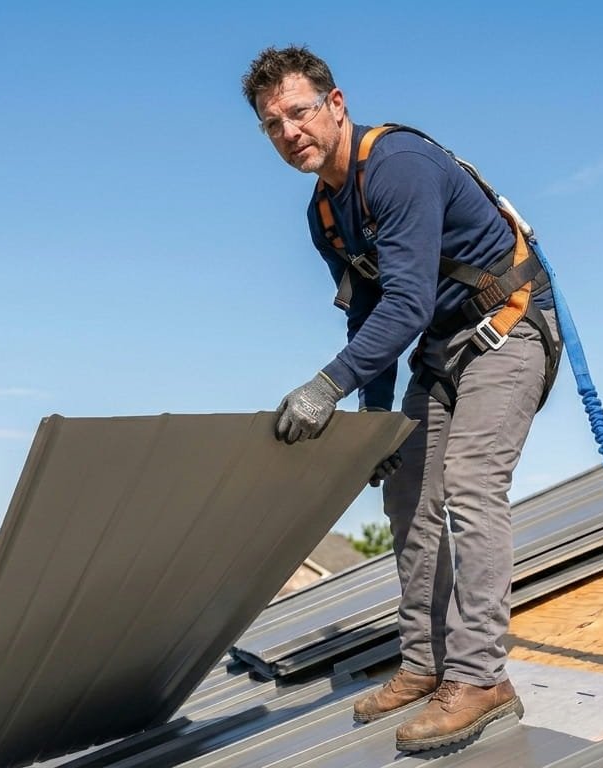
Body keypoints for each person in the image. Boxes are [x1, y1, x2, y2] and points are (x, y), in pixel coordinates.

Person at [241, 46, 562, 752]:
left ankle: (480, 679)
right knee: (406, 492)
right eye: (273, 125)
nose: (289, 131)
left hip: (508, 326)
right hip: (442, 349)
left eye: (299, 112)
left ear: (335, 104)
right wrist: (375, 423)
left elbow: (409, 302)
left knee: (472, 485)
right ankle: (426, 662)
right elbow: (369, 312)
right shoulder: (325, 212)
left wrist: (327, 386)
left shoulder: (397, 165)